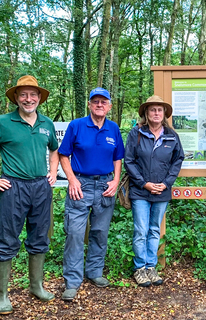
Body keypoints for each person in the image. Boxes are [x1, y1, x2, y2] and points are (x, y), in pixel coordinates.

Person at [0, 75, 58, 314]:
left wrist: (53, 172)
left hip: (40, 188)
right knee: (6, 239)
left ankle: (36, 286)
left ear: (39, 98)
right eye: (23, 95)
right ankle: (1, 296)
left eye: (33, 95)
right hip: (13, 187)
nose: (28, 99)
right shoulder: (2, 123)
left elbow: (54, 151)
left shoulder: (47, 124)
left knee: (39, 237)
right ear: (16, 98)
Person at [58, 87, 124, 301]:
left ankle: (95, 272)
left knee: (99, 231)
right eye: (95, 101)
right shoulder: (77, 125)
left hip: (105, 185)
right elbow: (63, 155)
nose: (99, 105)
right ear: (89, 104)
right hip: (81, 184)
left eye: (103, 102)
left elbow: (117, 157)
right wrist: (72, 180)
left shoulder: (113, 128)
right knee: (75, 233)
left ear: (109, 106)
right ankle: (72, 280)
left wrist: (115, 180)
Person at [124, 95, 184, 287]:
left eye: (160, 110)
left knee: (154, 230)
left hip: (162, 191)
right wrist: (143, 183)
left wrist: (166, 183)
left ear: (164, 113)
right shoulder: (137, 133)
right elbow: (129, 161)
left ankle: (151, 266)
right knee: (141, 230)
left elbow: (178, 160)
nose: (156, 113)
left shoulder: (172, 136)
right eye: (152, 110)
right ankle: (140, 268)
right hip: (141, 191)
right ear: (146, 113)